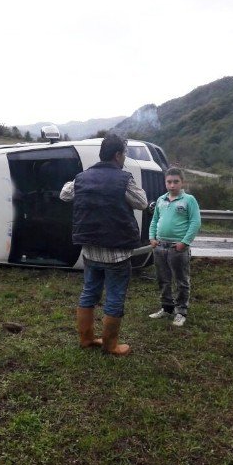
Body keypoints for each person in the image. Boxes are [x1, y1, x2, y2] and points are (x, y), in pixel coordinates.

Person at [60, 134, 148, 356]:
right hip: (116, 252)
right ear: (118, 155)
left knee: (89, 291)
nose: (124, 158)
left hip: (90, 249)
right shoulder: (124, 179)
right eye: (124, 154)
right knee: (115, 295)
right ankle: (110, 345)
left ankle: (86, 339)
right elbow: (142, 202)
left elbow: (64, 195)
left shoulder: (81, 178)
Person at [147, 168, 202, 327]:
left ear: (182, 182)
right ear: (165, 182)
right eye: (169, 182)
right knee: (163, 279)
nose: (172, 185)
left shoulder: (188, 200)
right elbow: (155, 219)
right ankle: (166, 308)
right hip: (160, 246)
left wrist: (184, 242)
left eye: (175, 181)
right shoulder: (161, 200)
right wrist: (152, 237)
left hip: (177, 248)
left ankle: (181, 311)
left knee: (181, 281)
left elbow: (195, 222)